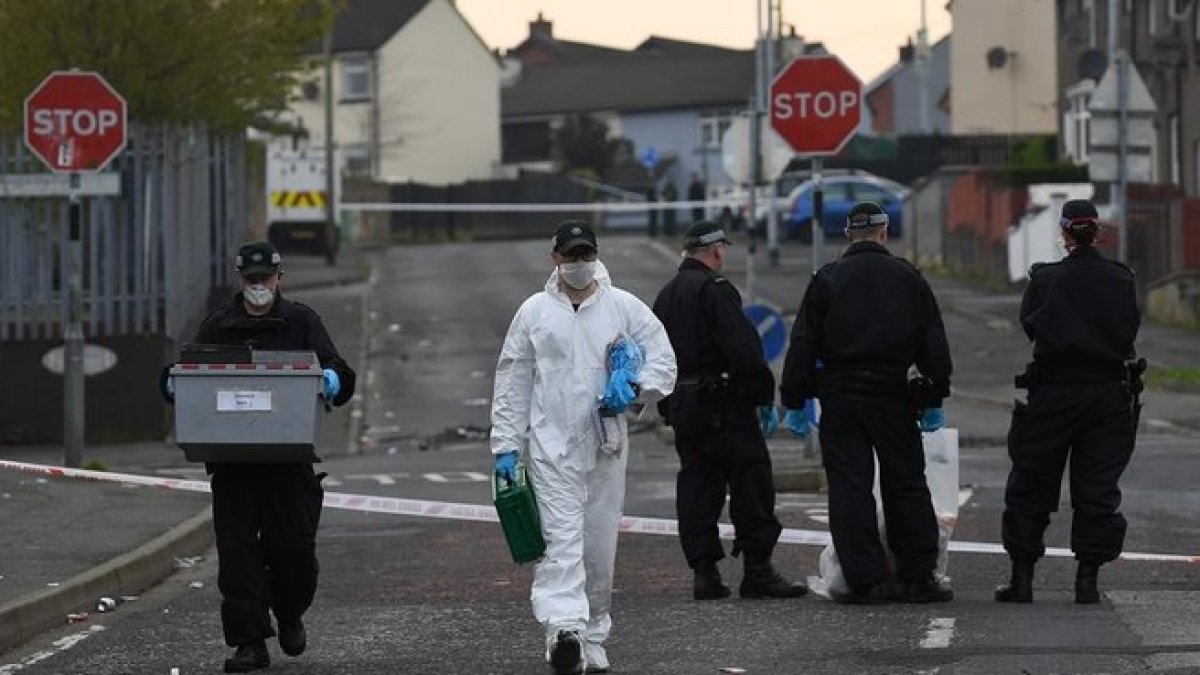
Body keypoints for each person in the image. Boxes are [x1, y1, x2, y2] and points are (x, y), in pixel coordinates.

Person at [490, 220, 676, 675]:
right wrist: (506, 444)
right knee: (560, 543)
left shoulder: (622, 307)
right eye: (571, 255)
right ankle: (564, 632)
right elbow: (513, 380)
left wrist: (635, 388)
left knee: (598, 546)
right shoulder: (534, 312)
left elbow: (663, 360)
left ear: (596, 255)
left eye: (586, 254)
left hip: (605, 445)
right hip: (551, 446)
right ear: (554, 258)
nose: (579, 263)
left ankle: (593, 634)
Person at [165, 241, 356, 673]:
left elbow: (342, 373)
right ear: (240, 280)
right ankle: (249, 643)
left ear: (278, 279)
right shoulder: (218, 325)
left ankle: (289, 613)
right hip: (233, 464)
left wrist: (331, 380)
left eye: (264, 278)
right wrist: (170, 383)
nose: (257, 286)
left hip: (288, 465)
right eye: (250, 279)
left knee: (293, 553)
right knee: (238, 557)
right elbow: (185, 369)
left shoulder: (302, 322)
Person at [778, 202, 953, 605]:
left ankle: (865, 580)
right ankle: (917, 577)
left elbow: (803, 342)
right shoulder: (908, 277)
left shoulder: (826, 279)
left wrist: (793, 399)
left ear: (847, 234)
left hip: (841, 395)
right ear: (884, 232)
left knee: (849, 485)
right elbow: (932, 339)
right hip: (893, 393)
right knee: (906, 482)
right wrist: (934, 394)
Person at [995, 198, 1142, 605]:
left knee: (1031, 484)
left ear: (1063, 232)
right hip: (1108, 394)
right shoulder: (1121, 278)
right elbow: (1129, 328)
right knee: (1097, 488)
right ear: (1098, 231)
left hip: (1053, 392)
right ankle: (1087, 582)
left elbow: (1030, 325)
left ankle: (1022, 579)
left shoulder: (1045, 279)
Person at [652, 220, 807, 602]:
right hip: (723, 402)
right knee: (751, 482)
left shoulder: (666, 295)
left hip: (684, 402)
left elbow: (654, 356)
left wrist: (668, 405)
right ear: (715, 250)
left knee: (697, 486)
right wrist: (762, 396)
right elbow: (743, 348)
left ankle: (704, 573)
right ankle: (758, 570)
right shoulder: (716, 290)